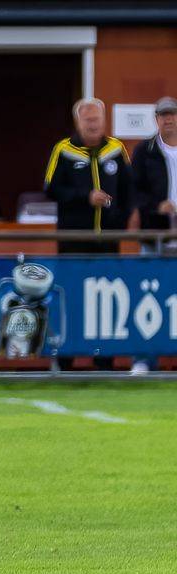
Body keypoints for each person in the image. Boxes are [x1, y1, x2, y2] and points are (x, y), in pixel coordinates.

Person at [44, 97, 131, 371]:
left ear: (103, 121)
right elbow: (50, 189)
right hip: (73, 241)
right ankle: (65, 359)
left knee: (106, 300)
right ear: (78, 122)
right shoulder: (63, 149)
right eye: (87, 120)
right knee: (70, 299)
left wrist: (119, 223)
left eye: (96, 119)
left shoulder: (117, 149)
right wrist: (85, 197)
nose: (92, 124)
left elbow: (129, 191)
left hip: (107, 242)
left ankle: (104, 360)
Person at [128, 95, 177, 374]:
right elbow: (135, 191)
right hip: (155, 235)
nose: (168, 119)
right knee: (149, 298)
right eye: (163, 115)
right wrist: (156, 206)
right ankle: (144, 360)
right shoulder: (144, 151)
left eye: (172, 114)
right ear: (156, 119)